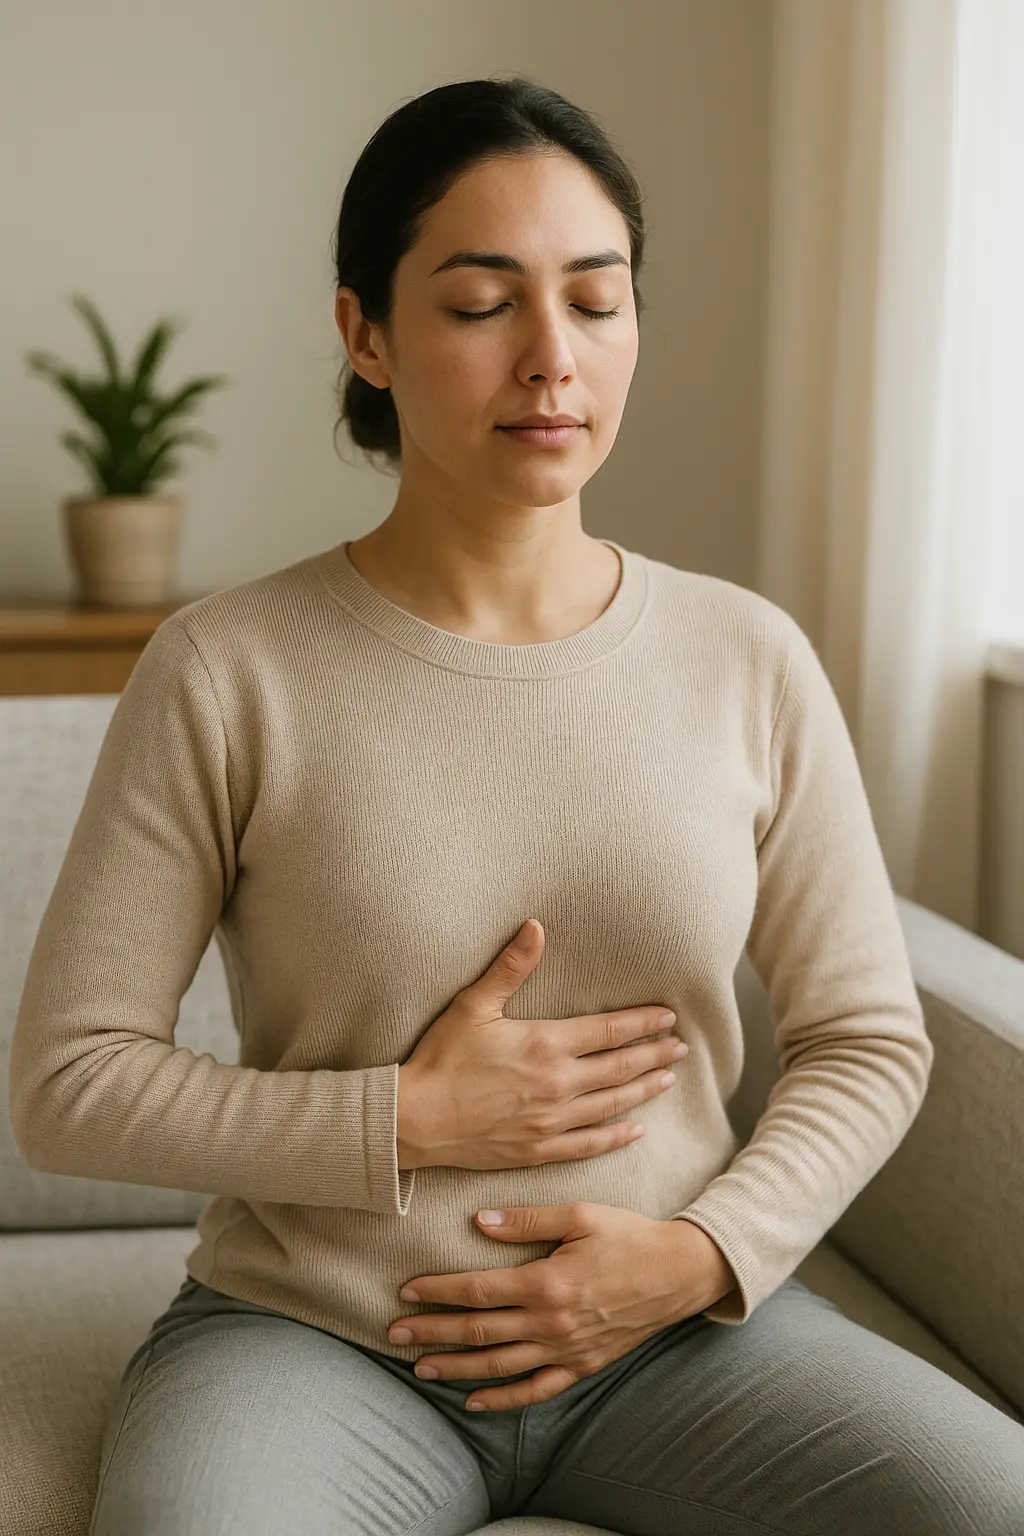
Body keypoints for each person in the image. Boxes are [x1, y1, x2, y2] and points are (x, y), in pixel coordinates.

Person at [10, 73, 1019, 1536]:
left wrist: (699, 1256)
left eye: (596, 302)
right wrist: (402, 1119)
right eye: (482, 304)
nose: (553, 358)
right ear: (364, 330)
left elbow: (867, 1039)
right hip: (319, 1346)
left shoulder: (749, 656)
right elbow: (67, 1083)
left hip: (682, 1342)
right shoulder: (226, 670)